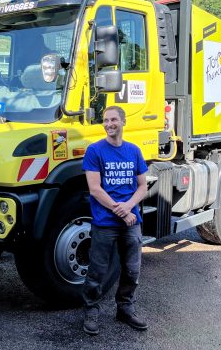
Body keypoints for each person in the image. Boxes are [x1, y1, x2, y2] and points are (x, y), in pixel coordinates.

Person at [82, 105, 149, 335]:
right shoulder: (95, 151)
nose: (108, 124)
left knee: (132, 270)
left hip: (131, 221)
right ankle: (91, 311)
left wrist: (129, 207)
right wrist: (120, 210)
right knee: (97, 271)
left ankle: (125, 309)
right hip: (105, 222)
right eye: (105, 120)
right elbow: (95, 189)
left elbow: (143, 186)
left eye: (113, 119)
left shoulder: (134, 151)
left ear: (123, 122)